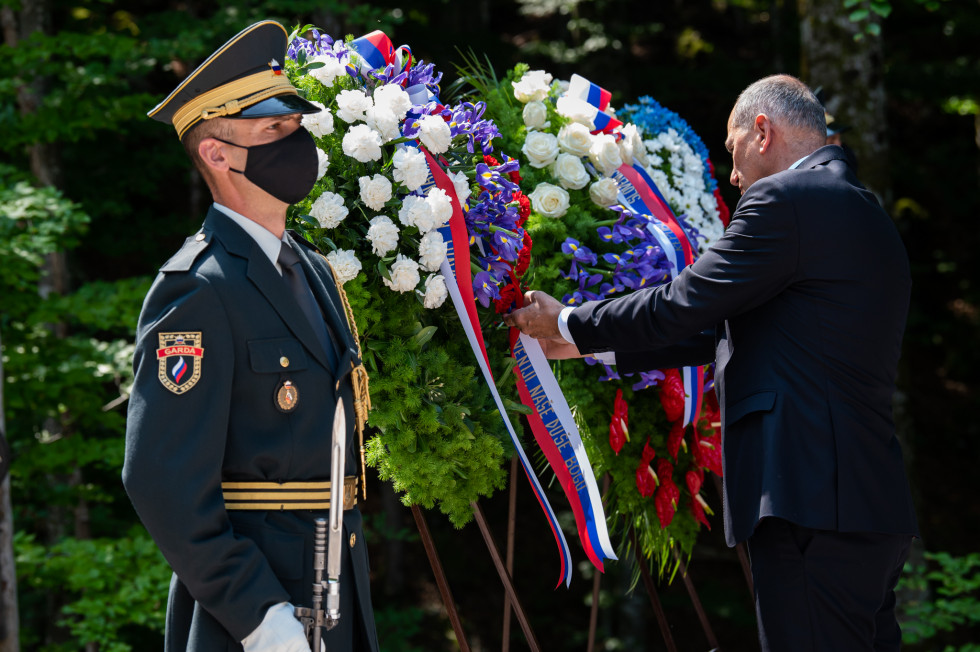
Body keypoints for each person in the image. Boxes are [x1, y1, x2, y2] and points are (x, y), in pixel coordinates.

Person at [503, 74, 918, 651]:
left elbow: (684, 303)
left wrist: (569, 320)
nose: (734, 176)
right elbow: (723, 329)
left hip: (808, 499)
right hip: (864, 501)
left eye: (733, 151)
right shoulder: (864, 213)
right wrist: (586, 343)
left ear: (763, 131)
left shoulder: (787, 201)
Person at [122, 21, 379, 652]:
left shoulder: (311, 269)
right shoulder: (198, 289)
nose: (297, 144)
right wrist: (261, 616)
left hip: (335, 587)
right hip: (256, 611)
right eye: (274, 131)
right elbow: (160, 479)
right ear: (217, 153)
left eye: (294, 127)